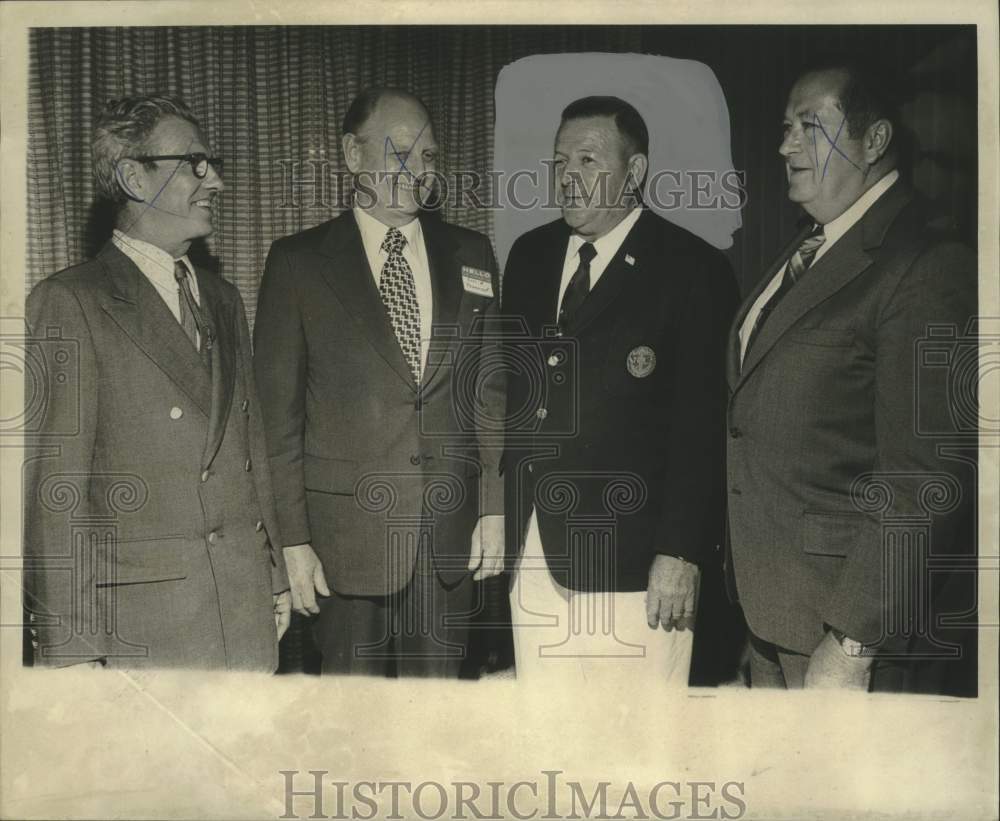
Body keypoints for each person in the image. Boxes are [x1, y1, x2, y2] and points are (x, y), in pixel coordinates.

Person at [726, 59, 977, 692]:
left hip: (841, 632)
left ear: (875, 141)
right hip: (772, 616)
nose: (785, 145)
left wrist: (853, 640)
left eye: (810, 126)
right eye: (785, 128)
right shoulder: (811, 246)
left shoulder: (925, 265)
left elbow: (923, 481)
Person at [23, 95, 290, 670]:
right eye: (193, 164)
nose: (214, 180)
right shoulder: (72, 301)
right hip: (146, 625)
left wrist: (274, 578)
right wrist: (69, 650)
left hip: (243, 610)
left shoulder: (223, 299)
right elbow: (56, 491)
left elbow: (251, 448)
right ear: (132, 177)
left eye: (211, 164)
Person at [253, 88, 504, 677]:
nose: (419, 172)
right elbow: (277, 420)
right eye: (401, 153)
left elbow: (491, 395)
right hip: (344, 543)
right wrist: (292, 542)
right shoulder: (298, 263)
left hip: (448, 537)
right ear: (351, 154)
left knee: (436, 724)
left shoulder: (472, 254)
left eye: (430, 157)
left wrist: (495, 510)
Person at [501, 96, 738, 685]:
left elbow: (703, 427)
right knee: (547, 731)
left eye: (587, 160)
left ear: (634, 173)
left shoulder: (693, 270)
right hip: (535, 547)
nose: (568, 177)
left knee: (639, 742)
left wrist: (681, 551)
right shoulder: (529, 255)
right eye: (559, 162)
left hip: (639, 560)